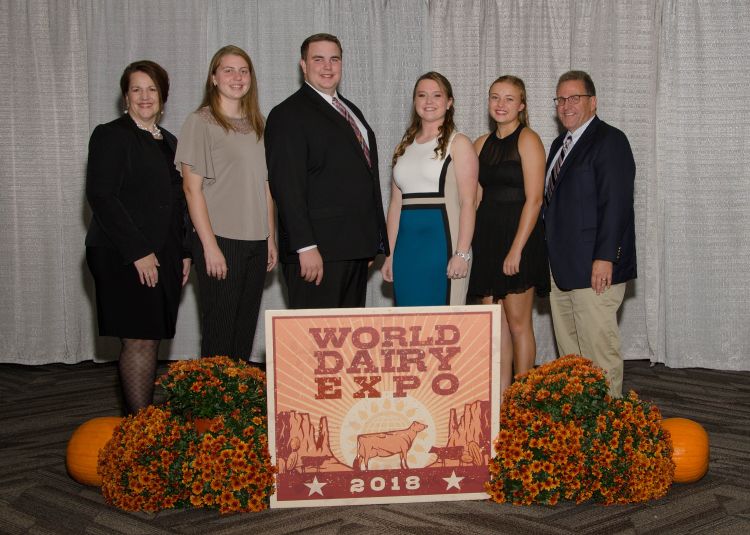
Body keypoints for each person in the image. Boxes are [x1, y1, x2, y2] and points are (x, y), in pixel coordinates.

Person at [85, 60, 191, 415]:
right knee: (139, 339)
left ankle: (142, 424)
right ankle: (139, 428)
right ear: (125, 97)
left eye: (152, 89)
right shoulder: (111, 134)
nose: (144, 97)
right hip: (124, 254)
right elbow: (102, 197)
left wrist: (186, 252)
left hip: (167, 254)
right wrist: (139, 252)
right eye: (136, 89)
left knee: (151, 339)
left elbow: (180, 202)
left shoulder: (171, 141)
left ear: (163, 97)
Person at [265, 33, 388, 309]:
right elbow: (286, 186)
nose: (327, 66)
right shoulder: (287, 114)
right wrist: (305, 247)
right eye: (318, 59)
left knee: (347, 344)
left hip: (353, 248)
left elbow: (362, 177)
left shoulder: (350, 109)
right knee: (314, 345)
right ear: (303, 65)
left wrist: (370, 240)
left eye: (334, 59)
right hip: (317, 253)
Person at [176, 45, 277, 363]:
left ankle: (236, 410)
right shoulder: (201, 122)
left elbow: (265, 186)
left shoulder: (259, 124)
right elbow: (192, 190)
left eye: (243, 70)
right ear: (214, 78)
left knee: (243, 335)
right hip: (220, 240)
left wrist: (270, 237)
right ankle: (210, 413)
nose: (237, 77)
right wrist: (208, 247)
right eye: (228, 70)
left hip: (256, 242)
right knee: (219, 336)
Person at [544, 70, 636, 397]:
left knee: (599, 353)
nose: (566, 105)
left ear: (592, 102)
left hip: (595, 267)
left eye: (575, 98)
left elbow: (617, 205)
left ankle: (610, 425)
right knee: (571, 358)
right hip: (562, 267)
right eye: (561, 99)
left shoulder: (610, 141)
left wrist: (605, 257)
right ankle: (582, 424)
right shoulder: (559, 145)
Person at [468, 75, 548, 392]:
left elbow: (535, 199)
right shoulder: (479, 144)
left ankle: (524, 400)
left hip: (519, 240)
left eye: (509, 99)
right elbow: (472, 198)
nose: (501, 104)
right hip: (487, 241)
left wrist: (516, 249)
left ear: (522, 105)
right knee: (495, 329)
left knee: (518, 324)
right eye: (495, 97)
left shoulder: (528, 140)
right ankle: (502, 402)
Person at [381, 72, 478, 305]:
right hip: (406, 250)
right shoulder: (403, 146)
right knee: (409, 328)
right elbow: (395, 206)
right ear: (414, 102)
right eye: (422, 95)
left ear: (449, 102)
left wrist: (461, 253)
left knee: (445, 329)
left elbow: (468, 202)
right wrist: (390, 254)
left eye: (437, 95)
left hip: (444, 246)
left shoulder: (460, 143)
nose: (429, 101)